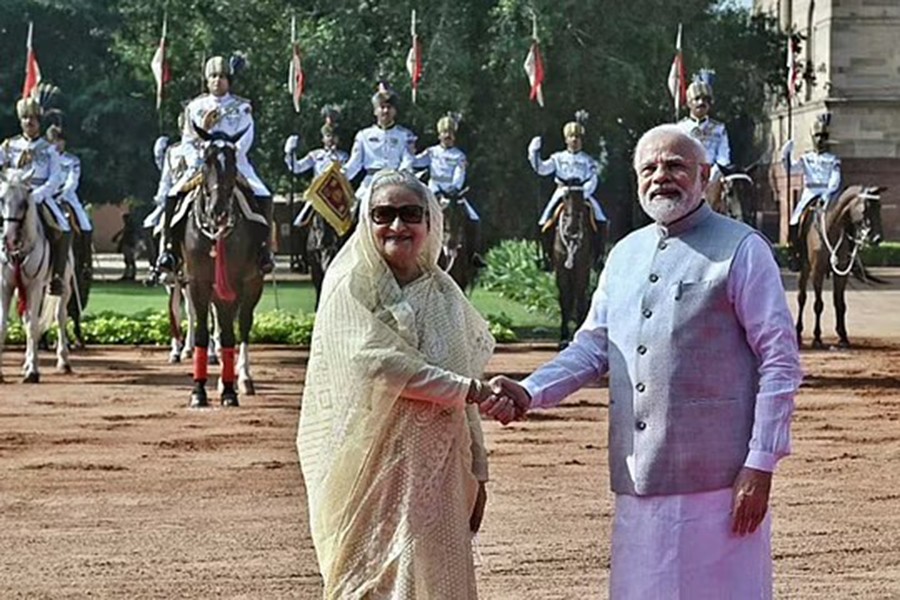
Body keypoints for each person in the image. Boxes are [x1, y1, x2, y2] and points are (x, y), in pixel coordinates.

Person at [488, 124, 802, 599]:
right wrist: (531, 390)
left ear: (705, 175)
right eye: (649, 168)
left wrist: (761, 463)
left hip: (720, 485)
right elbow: (594, 346)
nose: (661, 176)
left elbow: (780, 361)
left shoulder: (743, 249)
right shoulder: (623, 255)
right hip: (639, 480)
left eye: (675, 165)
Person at [297, 170, 497, 598]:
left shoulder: (444, 293)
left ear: (430, 223)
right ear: (366, 222)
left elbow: (468, 382)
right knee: (371, 579)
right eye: (383, 214)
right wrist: (468, 390)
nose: (397, 226)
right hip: (373, 464)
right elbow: (378, 365)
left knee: (437, 576)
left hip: (441, 468)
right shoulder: (351, 286)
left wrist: (479, 469)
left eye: (411, 214)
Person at [157, 55, 275, 275]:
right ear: (206, 79)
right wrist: (200, 157)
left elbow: (246, 136)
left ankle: (264, 250)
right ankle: (169, 250)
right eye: (213, 76)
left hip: (234, 163)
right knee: (172, 194)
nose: (217, 80)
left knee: (263, 194)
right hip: (203, 164)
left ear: (229, 80)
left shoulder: (242, 108)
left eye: (221, 76)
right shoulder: (195, 107)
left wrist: (230, 154)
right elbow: (188, 139)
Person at [0, 97, 69, 295]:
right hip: (12, 198)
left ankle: (56, 276)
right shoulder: (8, 146)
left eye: (33, 118)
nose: (29, 122)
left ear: (39, 122)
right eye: (25, 118)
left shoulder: (49, 150)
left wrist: (36, 196)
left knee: (62, 227)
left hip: (39, 196)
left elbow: (55, 179)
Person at [529, 112, 607, 270]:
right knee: (544, 220)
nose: (574, 140)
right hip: (562, 193)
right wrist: (534, 153)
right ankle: (546, 256)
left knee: (601, 218)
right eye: (571, 137)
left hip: (582, 193)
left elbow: (593, 179)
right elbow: (542, 169)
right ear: (566, 139)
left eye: (577, 137)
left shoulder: (587, 160)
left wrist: (583, 193)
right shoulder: (558, 158)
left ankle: (599, 256)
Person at [415, 113, 486, 268]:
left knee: (475, 219)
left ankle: (474, 254)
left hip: (452, 192)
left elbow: (459, 174)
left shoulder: (459, 156)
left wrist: (454, 188)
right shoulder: (431, 152)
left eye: (450, 133)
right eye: (444, 133)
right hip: (433, 189)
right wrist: (409, 150)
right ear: (439, 135)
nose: (447, 136)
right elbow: (417, 162)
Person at [781, 113, 841, 271]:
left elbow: (835, 179)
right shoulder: (806, 158)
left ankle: (848, 253)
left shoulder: (833, 159)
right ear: (813, 138)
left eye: (823, 136)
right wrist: (785, 155)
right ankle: (795, 252)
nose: (821, 139)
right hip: (810, 191)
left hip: (827, 192)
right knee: (795, 219)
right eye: (818, 136)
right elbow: (791, 169)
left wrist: (827, 194)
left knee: (843, 216)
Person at [342, 83, 416, 210]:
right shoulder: (363, 135)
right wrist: (341, 174)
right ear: (375, 111)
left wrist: (399, 177)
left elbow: (407, 161)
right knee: (353, 211)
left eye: (389, 107)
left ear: (395, 111)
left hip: (395, 180)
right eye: (382, 107)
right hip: (370, 182)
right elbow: (354, 164)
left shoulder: (405, 135)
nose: (386, 111)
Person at [284, 108, 350, 228]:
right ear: (323, 138)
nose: (331, 139)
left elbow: (346, 175)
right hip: (318, 195)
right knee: (301, 221)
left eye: (333, 136)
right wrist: (290, 153)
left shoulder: (343, 156)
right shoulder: (315, 155)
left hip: (335, 197)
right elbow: (297, 168)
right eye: (328, 136)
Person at [675, 72, 731, 213]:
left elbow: (724, 156)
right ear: (689, 103)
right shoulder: (680, 128)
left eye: (706, 99)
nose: (701, 103)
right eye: (697, 99)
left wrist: (714, 173)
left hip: (713, 174)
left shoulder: (718, 128)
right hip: (687, 173)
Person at [46, 124, 93, 281]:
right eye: (54, 140)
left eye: (60, 140)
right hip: (47, 196)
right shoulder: (44, 159)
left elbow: (72, 182)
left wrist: (62, 193)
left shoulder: (72, 160)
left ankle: (86, 264)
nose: (57, 144)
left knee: (86, 224)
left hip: (67, 198)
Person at [111, 213, 139, 281]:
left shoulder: (131, 227)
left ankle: (132, 274)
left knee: (130, 260)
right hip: (128, 244)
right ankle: (128, 274)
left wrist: (117, 237)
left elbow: (124, 232)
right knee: (128, 260)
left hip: (129, 244)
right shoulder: (128, 226)